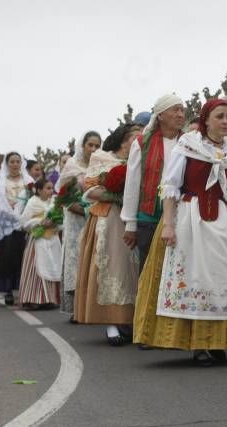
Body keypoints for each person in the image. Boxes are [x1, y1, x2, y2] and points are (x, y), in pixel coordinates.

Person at [133, 99, 227, 366]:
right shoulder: (189, 144)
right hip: (190, 219)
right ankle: (198, 343)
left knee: (224, 277)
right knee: (195, 278)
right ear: (206, 119)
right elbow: (170, 187)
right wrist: (168, 225)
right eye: (220, 116)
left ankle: (218, 341)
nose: (226, 121)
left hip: (222, 220)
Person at [74, 123, 142, 345]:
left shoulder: (141, 161)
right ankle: (111, 323)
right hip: (108, 219)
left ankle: (132, 321)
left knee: (133, 270)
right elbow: (89, 189)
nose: (140, 141)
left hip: (136, 220)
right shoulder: (101, 157)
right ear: (123, 139)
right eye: (136, 137)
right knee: (112, 268)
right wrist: (115, 196)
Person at [121, 93, 185, 268]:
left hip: (181, 217)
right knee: (148, 268)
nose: (181, 114)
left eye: (182, 110)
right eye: (176, 110)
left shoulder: (188, 143)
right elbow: (132, 184)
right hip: (148, 217)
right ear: (161, 115)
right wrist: (131, 224)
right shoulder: (143, 143)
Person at [58, 131, 103, 317]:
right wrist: (81, 209)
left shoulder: (101, 165)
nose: (93, 149)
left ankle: (90, 307)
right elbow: (64, 196)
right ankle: (76, 308)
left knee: (92, 257)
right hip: (76, 218)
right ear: (82, 146)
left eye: (96, 146)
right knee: (76, 258)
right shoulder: (71, 166)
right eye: (90, 145)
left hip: (96, 216)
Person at [0, 152, 34, 304]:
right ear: (7, 164)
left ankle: (26, 291)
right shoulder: (2, 182)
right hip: (8, 224)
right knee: (8, 257)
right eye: (12, 162)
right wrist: (11, 209)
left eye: (17, 161)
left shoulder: (28, 180)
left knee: (24, 257)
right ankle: (8, 290)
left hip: (25, 223)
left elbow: (35, 198)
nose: (15, 164)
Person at [18, 178, 61, 309]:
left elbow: (62, 221)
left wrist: (55, 223)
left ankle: (49, 299)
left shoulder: (54, 202)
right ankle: (33, 299)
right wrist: (40, 222)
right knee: (36, 268)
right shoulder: (32, 202)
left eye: (51, 188)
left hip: (52, 239)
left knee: (52, 267)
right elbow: (24, 223)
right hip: (38, 240)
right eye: (48, 188)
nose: (51, 191)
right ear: (39, 190)